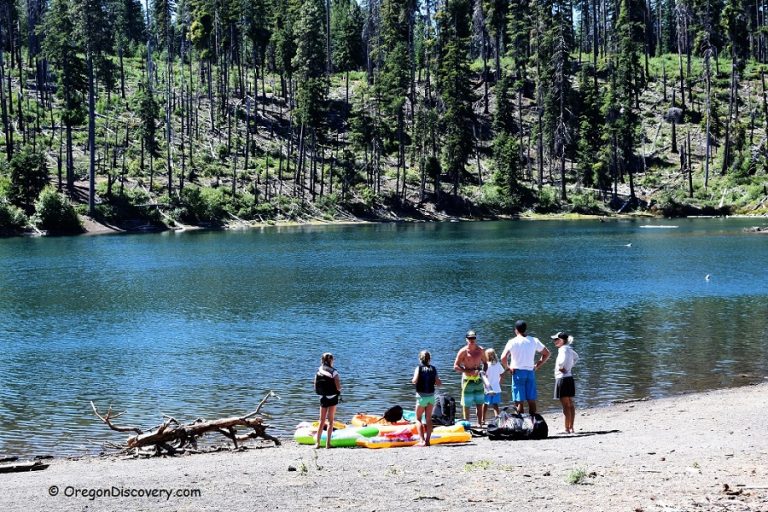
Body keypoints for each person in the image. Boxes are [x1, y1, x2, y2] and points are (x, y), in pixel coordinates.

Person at [500, 320, 550, 415]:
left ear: (516, 330)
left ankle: (521, 423)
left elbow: (503, 357)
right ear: (525, 329)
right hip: (530, 372)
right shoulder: (534, 340)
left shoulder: (512, 342)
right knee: (531, 399)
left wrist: (508, 367)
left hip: (517, 372)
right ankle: (533, 421)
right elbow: (546, 353)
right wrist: (537, 365)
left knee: (519, 401)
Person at [453, 330, 488, 426]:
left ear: (476, 338)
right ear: (466, 339)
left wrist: (484, 371)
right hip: (467, 380)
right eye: (470, 338)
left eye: (473, 338)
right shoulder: (463, 351)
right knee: (466, 404)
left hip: (478, 380)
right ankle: (466, 424)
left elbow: (485, 363)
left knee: (480, 402)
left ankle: (480, 423)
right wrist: (467, 371)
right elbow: (455, 366)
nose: (472, 340)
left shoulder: (480, 350)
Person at [411, 350, 442, 446]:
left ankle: (422, 440)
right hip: (431, 397)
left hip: (421, 397)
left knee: (418, 419)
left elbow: (414, 380)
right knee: (428, 419)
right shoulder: (433, 369)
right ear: (429, 359)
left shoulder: (418, 368)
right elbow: (439, 383)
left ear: (420, 359)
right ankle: (428, 440)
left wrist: (413, 380)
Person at [551, 331, 579, 434]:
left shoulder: (562, 350)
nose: (554, 341)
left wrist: (561, 367)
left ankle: (567, 429)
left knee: (565, 405)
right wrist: (569, 367)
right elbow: (577, 358)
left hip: (562, 379)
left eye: (556, 339)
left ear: (561, 340)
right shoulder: (569, 349)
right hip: (569, 378)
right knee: (570, 404)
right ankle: (571, 427)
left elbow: (561, 362)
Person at [313, 353, 341, 448]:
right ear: (331, 360)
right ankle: (328, 444)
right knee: (331, 421)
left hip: (322, 397)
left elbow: (314, 385)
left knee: (321, 421)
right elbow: (338, 387)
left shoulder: (319, 370)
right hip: (332, 397)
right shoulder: (334, 372)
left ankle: (317, 443)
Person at [481, 348, 504, 421]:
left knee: (485, 404)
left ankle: (483, 420)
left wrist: (484, 385)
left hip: (487, 388)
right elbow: (502, 374)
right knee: (495, 405)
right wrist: (499, 383)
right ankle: (497, 420)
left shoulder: (486, 365)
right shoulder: (498, 364)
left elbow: (484, 376)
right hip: (496, 388)